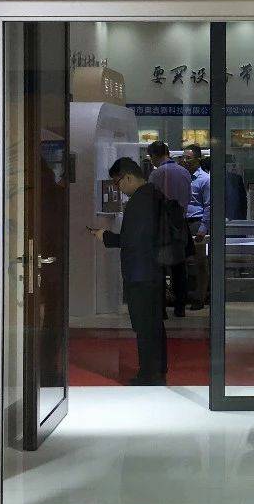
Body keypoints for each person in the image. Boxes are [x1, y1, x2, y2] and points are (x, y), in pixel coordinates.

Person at [88, 157, 167, 386]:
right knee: (153, 324)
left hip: (140, 273)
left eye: (118, 182)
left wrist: (105, 236)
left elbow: (131, 239)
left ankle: (149, 374)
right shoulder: (154, 195)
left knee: (144, 325)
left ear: (129, 177)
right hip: (153, 270)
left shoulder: (139, 201)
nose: (118, 188)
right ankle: (157, 369)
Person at [146, 140, 191, 318]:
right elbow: (188, 198)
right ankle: (180, 307)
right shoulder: (184, 172)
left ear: (155, 155)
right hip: (180, 224)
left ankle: (161, 308)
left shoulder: (156, 174)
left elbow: (151, 200)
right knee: (179, 268)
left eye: (151, 157)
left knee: (159, 268)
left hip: (161, 225)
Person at [184, 143, 211, 309]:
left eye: (189, 158)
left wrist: (203, 228)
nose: (186, 161)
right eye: (184, 158)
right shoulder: (183, 176)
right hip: (183, 223)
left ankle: (200, 297)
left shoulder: (205, 179)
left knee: (199, 262)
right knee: (185, 262)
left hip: (196, 223)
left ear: (198, 159)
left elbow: (208, 205)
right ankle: (187, 294)